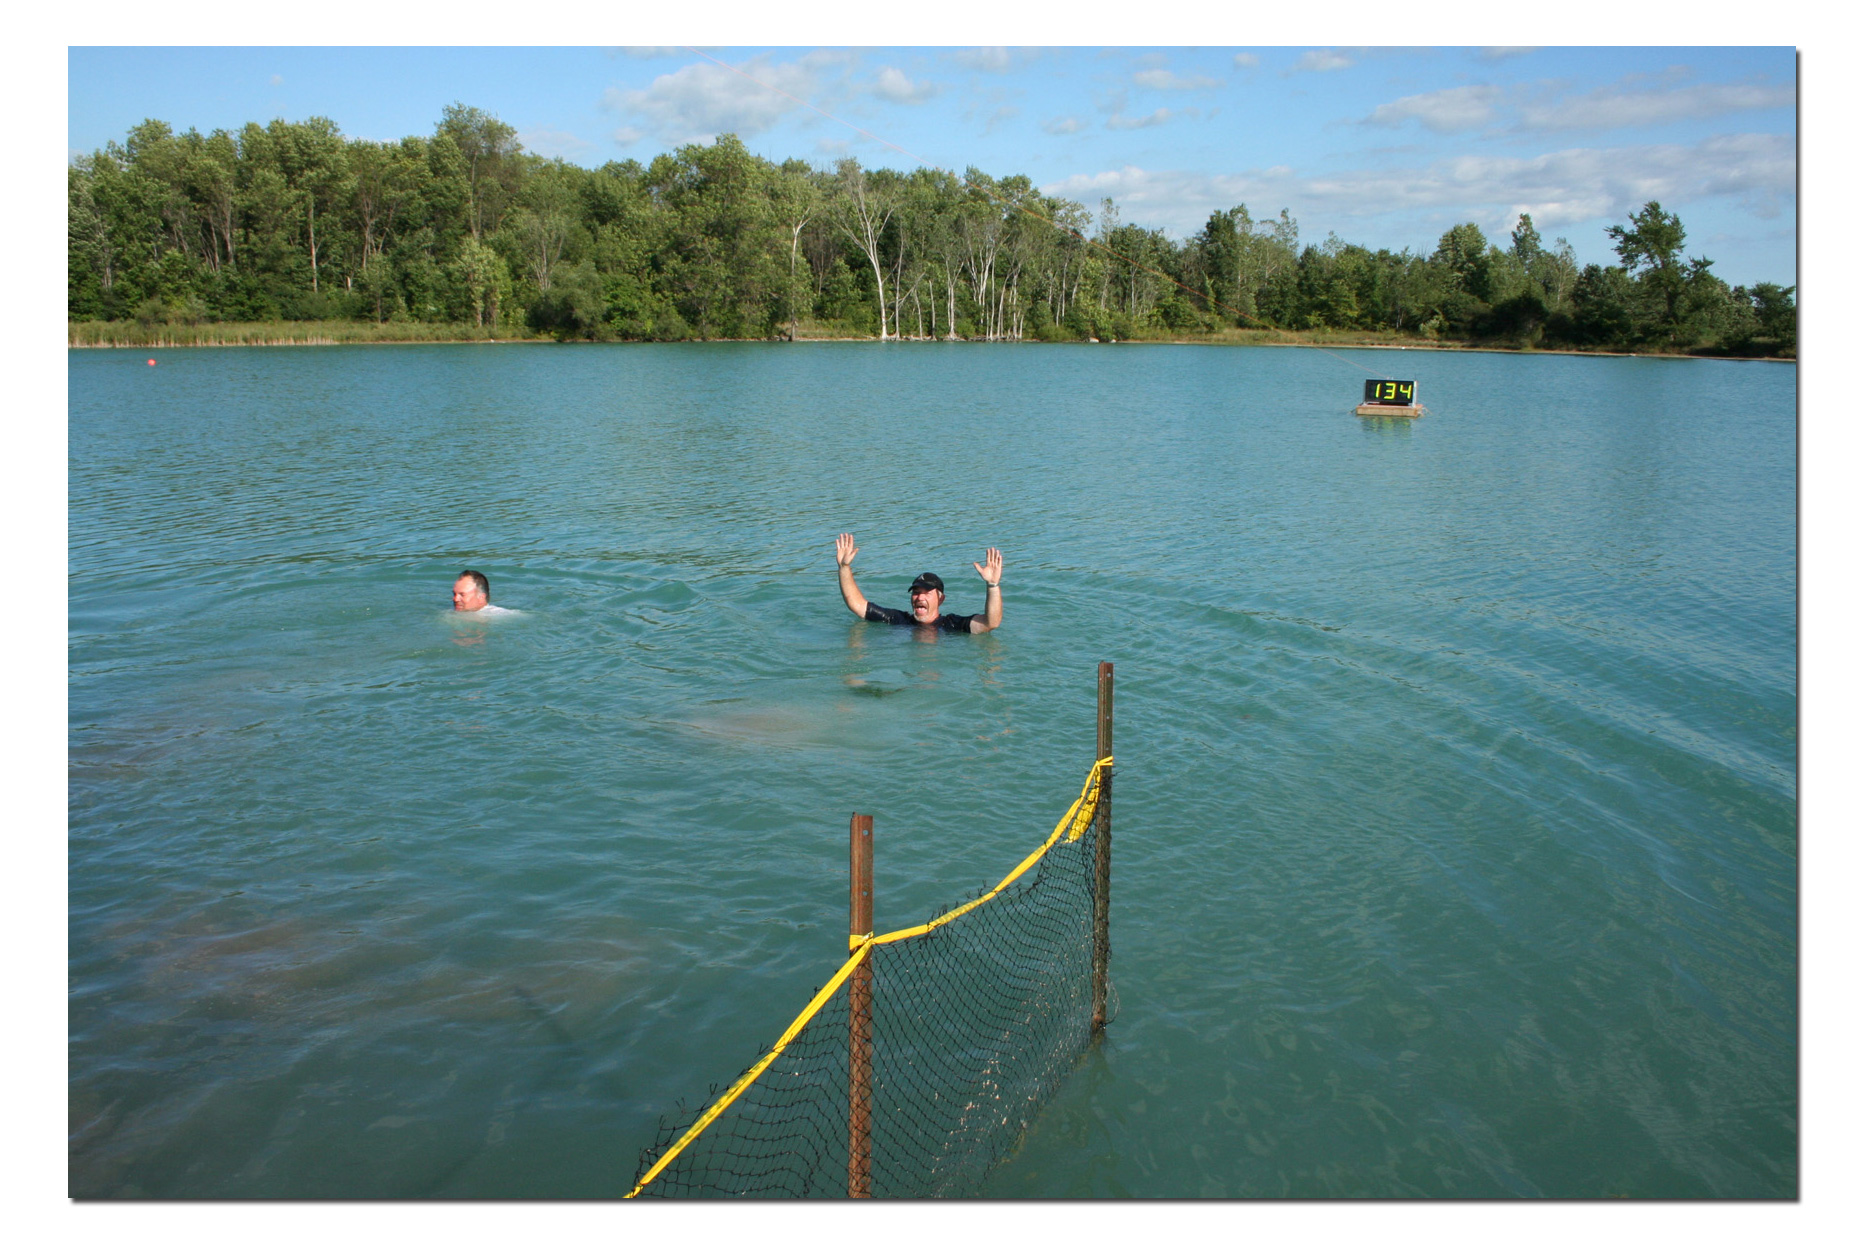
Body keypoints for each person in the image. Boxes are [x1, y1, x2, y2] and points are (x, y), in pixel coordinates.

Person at [834, 533, 1002, 633]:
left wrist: (993, 585)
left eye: (927, 592)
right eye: (916, 592)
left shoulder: (951, 625)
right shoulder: (899, 620)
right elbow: (856, 604)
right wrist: (844, 567)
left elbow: (990, 623)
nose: (919, 597)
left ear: (941, 598)